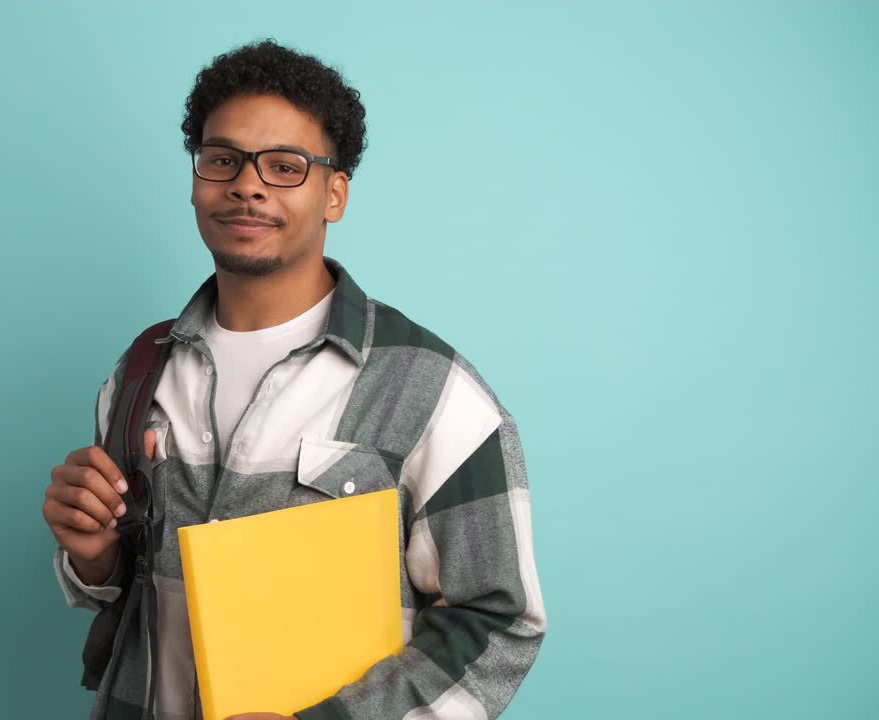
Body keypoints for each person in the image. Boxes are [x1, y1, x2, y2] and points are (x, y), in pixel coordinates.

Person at [43, 39, 546, 720]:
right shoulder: (137, 374)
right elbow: (126, 591)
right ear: (196, 181)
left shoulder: (434, 391)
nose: (247, 184)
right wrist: (94, 556)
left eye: (285, 166)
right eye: (222, 159)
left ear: (334, 192)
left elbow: (499, 621)